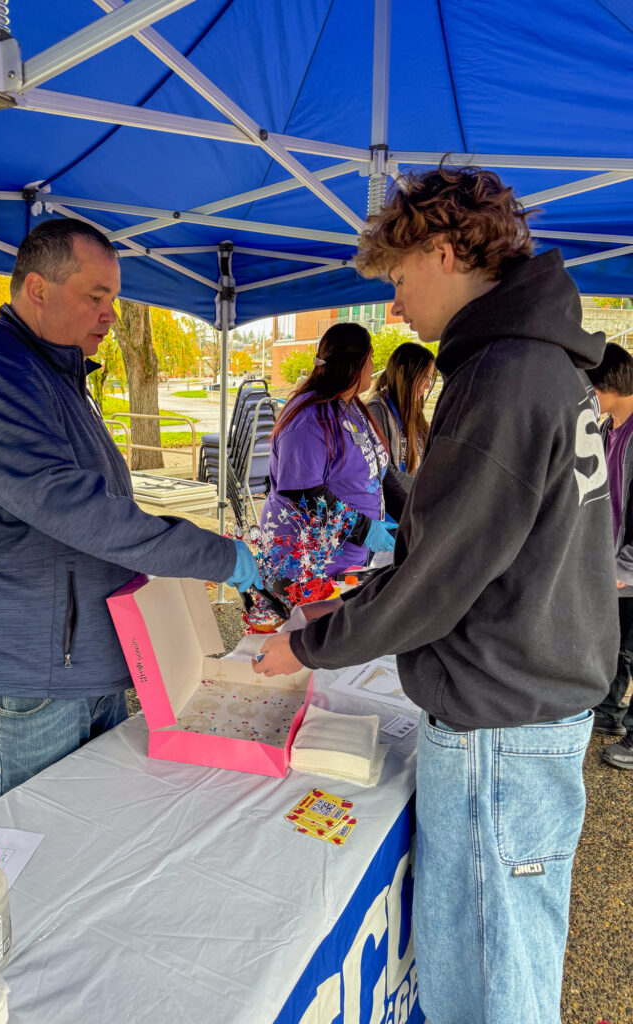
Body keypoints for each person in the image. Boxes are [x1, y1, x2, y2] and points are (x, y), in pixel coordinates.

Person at [254, 164, 617, 1024]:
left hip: (503, 724)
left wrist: (306, 643)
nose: (395, 305)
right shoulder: (541, 366)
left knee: (494, 980)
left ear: (447, 253)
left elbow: (433, 580)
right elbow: (458, 549)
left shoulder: (504, 378)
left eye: (400, 277)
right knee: (495, 956)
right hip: (527, 704)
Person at [0, 219, 261, 802]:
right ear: (38, 290)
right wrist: (210, 553)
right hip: (24, 661)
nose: (110, 315)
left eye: (114, 299)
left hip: (73, 649)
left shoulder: (56, 373)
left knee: (91, 817)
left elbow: (101, 503)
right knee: (46, 836)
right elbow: (72, 507)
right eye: (96, 297)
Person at [260, 322, 408, 586]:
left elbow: (380, 472)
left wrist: (412, 517)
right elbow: (303, 493)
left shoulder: (352, 407)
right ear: (355, 364)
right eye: (371, 358)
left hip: (347, 558)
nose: (374, 368)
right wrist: (363, 529)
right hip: (305, 566)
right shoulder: (308, 419)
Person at [586, 342, 633, 769]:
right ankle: (608, 711)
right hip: (610, 560)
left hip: (628, 566)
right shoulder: (605, 429)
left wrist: (626, 566)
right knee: (614, 643)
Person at [367, 341, 436, 473]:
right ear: (403, 372)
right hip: (405, 492)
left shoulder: (414, 412)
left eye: (430, 379)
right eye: (424, 377)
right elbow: (386, 472)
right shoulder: (377, 410)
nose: (428, 385)